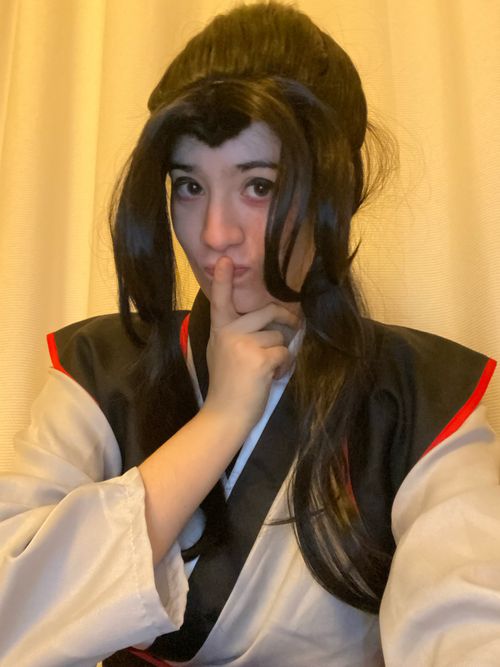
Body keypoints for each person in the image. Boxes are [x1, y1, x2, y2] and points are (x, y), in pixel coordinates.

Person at [1, 2, 499, 666]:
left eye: (258, 186)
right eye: (189, 186)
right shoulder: (100, 371)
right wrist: (220, 421)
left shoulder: (424, 400)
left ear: (334, 194)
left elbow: (469, 628)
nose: (215, 234)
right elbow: (9, 614)